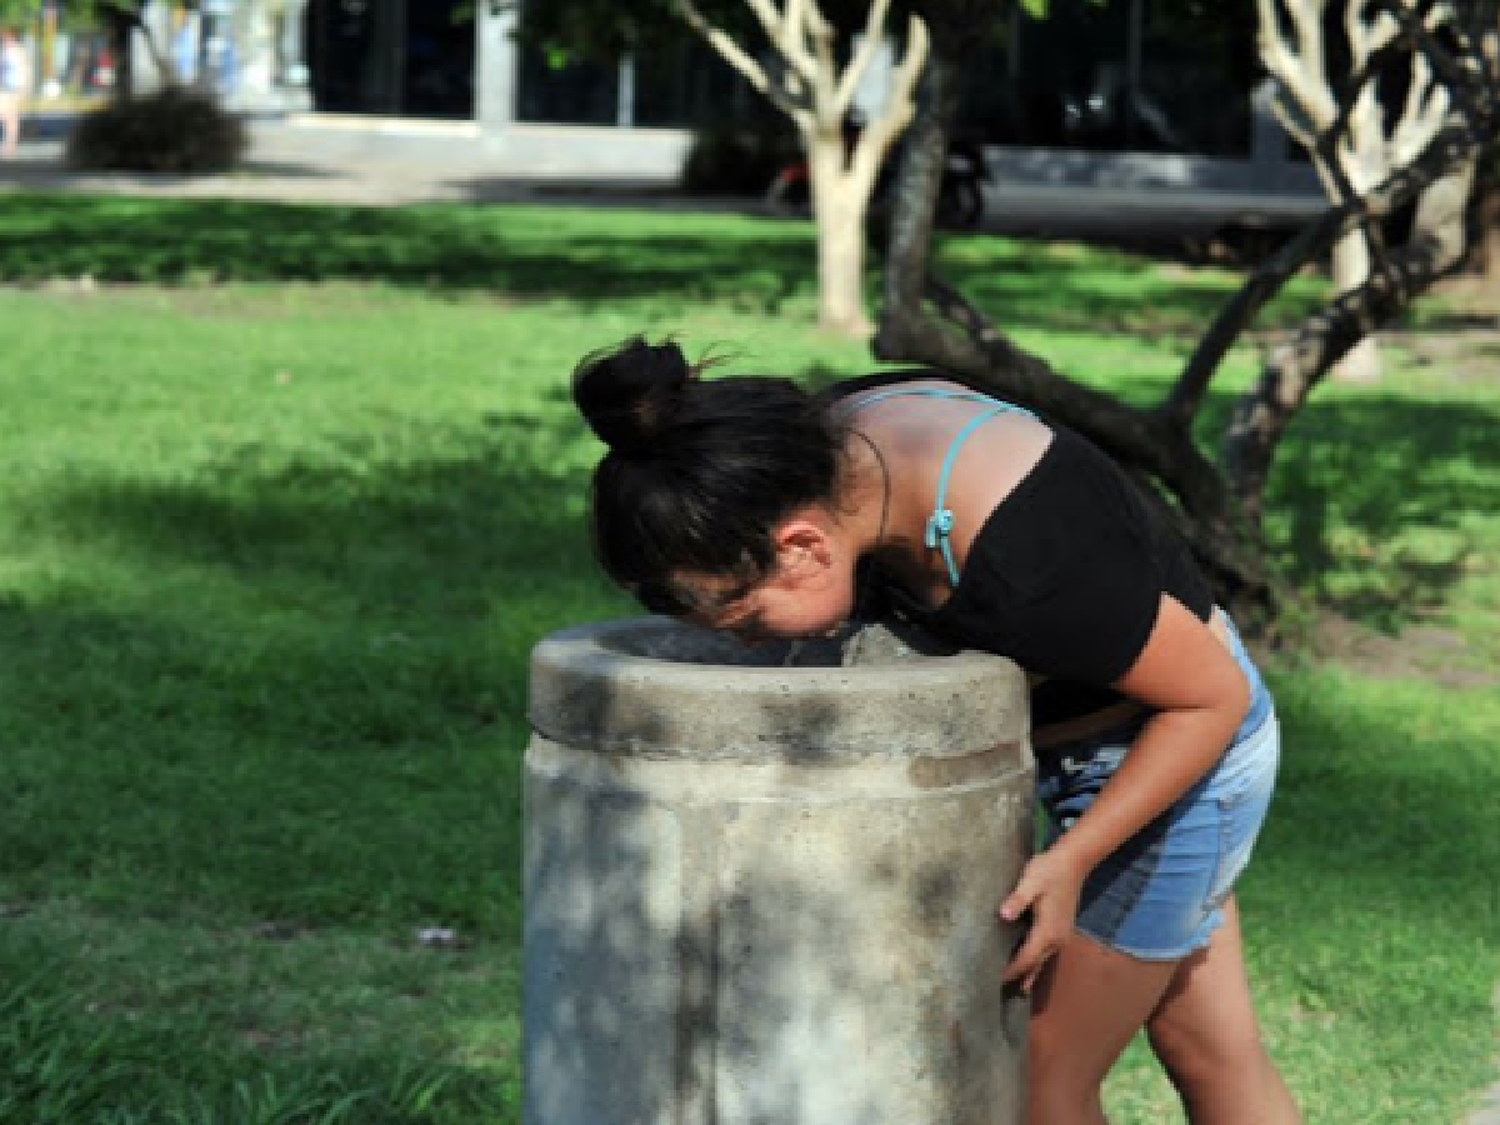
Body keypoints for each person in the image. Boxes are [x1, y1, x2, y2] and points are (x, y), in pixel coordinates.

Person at [571, 336, 1301, 1125]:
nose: (741, 641)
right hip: (1106, 732)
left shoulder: (1019, 563)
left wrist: (1072, 858)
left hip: (1177, 761)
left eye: (743, 617)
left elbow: (1213, 699)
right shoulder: (834, 441)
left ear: (805, 546)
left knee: (1037, 1084)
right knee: (1210, 1048)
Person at [0, 28, 29, 159]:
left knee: (11, 115)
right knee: (4, 114)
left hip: (15, 86)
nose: (5, 40)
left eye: (7, 38)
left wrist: (25, 86)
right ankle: (9, 141)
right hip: (4, 86)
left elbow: (25, 68)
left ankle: (10, 143)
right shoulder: (3, 52)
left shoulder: (18, 52)